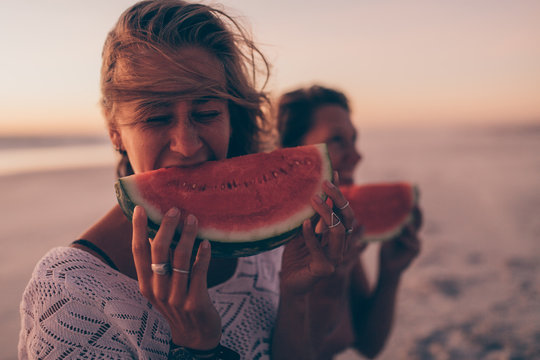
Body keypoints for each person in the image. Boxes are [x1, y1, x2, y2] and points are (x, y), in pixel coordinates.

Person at [18, 2, 361, 359]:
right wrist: (196, 348)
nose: (186, 144)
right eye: (155, 117)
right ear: (115, 133)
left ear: (232, 116)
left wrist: (295, 295)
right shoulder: (69, 296)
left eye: (207, 113)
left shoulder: (267, 250)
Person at [276, 84, 422, 359]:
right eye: (337, 140)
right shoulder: (267, 249)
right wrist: (334, 281)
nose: (357, 155)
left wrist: (390, 273)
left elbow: (368, 345)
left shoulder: (338, 230)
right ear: (290, 154)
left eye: (354, 139)